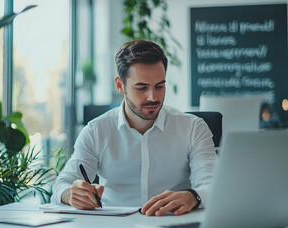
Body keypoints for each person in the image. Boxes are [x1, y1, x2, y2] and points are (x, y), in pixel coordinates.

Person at [51, 40, 217, 216]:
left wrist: (193, 197)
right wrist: (70, 194)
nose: (153, 97)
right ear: (120, 85)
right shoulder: (96, 131)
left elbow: (213, 186)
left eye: (159, 86)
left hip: (173, 225)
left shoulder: (193, 128)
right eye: (141, 88)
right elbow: (62, 184)